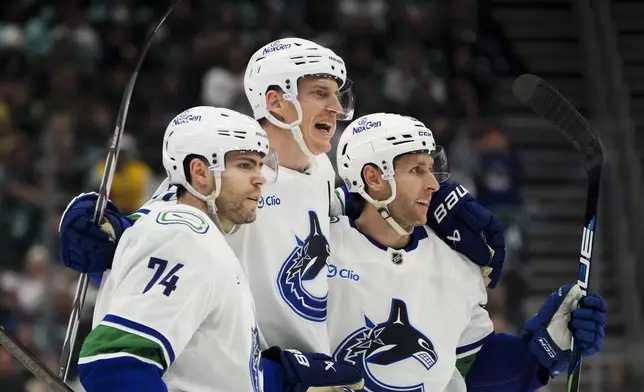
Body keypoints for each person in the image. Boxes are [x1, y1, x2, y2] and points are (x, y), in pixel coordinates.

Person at [59, 38, 504, 358]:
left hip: (308, 374)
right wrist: (105, 229)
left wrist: (445, 209)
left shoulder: (323, 172)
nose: (335, 107)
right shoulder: (232, 170)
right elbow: (162, 225)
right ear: (276, 103)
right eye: (319, 94)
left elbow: (362, 214)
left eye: (337, 96)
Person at [75, 106, 363, 392]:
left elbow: (206, 367)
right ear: (200, 172)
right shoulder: (183, 237)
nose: (260, 177)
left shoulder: (202, 236)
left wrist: (283, 378)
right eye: (244, 165)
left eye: (260, 164)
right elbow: (114, 363)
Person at [326, 112, 607, 391]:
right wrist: (336, 200)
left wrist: (546, 349)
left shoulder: (456, 264)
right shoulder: (318, 244)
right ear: (373, 177)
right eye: (416, 171)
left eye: (431, 168)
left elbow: (471, 372)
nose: (434, 184)